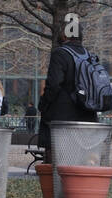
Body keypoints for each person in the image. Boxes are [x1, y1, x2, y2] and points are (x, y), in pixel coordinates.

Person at [38, 24, 98, 162]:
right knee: (83, 161)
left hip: (63, 118)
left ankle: (58, 182)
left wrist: (44, 104)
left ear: (65, 36)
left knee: (58, 160)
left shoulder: (60, 54)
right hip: (87, 114)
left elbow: (53, 85)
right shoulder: (89, 55)